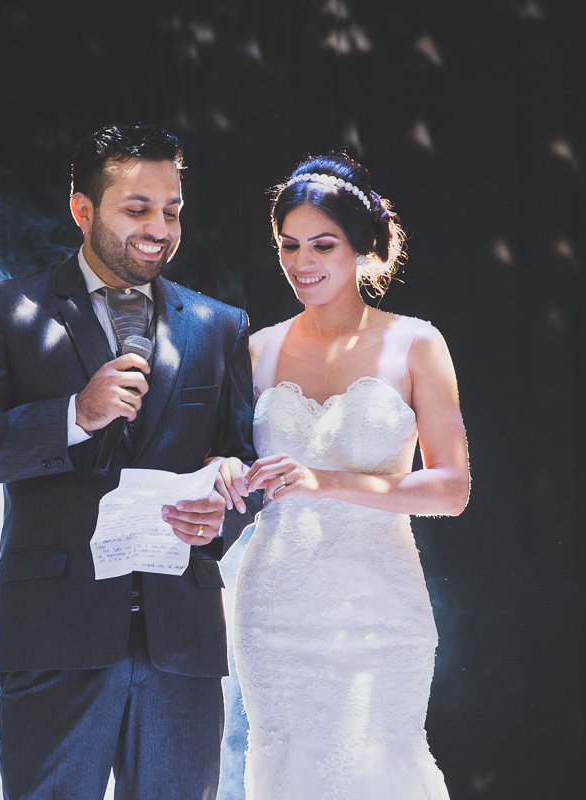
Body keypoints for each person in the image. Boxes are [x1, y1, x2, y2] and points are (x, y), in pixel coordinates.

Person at [0, 123, 261, 799]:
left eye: (172, 211)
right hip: (52, 637)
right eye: (137, 209)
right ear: (82, 210)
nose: (159, 229)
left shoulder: (219, 324)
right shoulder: (5, 310)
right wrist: (74, 415)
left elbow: (243, 464)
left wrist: (221, 516)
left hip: (181, 642)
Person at [212, 153, 470, 798]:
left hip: (378, 605)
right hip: (275, 606)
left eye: (322, 245)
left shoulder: (416, 344)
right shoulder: (257, 349)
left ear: (362, 247)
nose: (302, 262)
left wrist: (325, 480)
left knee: (379, 766)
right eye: (289, 245)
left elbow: (451, 488)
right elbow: (227, 463)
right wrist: (224, 472)